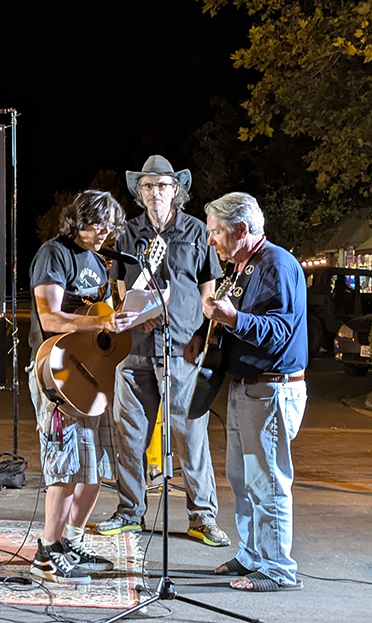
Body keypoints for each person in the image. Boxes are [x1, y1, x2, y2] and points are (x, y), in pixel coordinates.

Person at [97, 155, 230, 547]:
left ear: (176, 191)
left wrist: (202, 334)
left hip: (182, 350)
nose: (155, 192)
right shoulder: (127, 234)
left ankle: (202, 518)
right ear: (140, 193)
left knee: (190, 437)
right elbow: (122, 290)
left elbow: (208, 292)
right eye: (147, 186)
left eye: (162, 185)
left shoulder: (197, 232)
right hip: (135, 350)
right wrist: (136, 317)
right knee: (129, 435)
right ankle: (129, 512)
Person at [27, 190, 138, 584]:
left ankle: (70, 542)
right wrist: (101, 323)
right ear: (78, 220)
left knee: (94, 471)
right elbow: (51, 318)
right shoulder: (54, 254)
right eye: (97, 224)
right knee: (64, 468)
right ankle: (46, 552)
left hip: (92, 374)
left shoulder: (98, 262)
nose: (105, 232)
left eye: (110, 227)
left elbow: (100, 318)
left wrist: (126, 319)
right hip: (57, 372)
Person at [203, 192, 307, 592]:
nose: (211, 240)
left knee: (268, 482)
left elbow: (280, 331)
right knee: (242, 478)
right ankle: (252, 555)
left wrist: (232, 319)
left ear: (242, 229)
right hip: (247, 388)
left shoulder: (277, 264)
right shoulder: (243, 266)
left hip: (271, 388)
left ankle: (278, 568)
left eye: (216, 232)